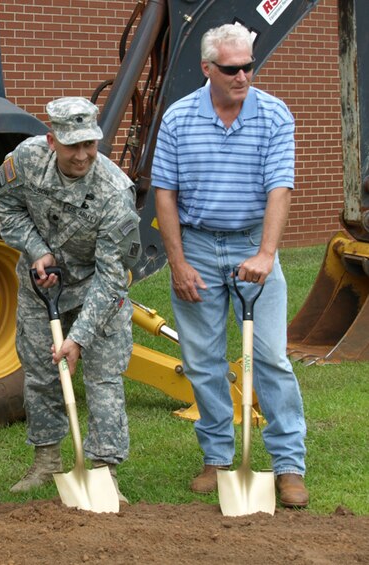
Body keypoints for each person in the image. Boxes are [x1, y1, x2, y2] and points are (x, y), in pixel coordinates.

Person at [151, 23, 309, 507]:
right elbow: (165, 194)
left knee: (271, 358)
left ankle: (288, 466)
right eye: (231, 69)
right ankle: (218, 459)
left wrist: (265, 253)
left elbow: (279, 189)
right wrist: (177, 263)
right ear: (207, 69)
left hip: (250, 245)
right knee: (203, 362)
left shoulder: (274, 115)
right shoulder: (178, 119)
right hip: (196, 246)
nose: (243, 76)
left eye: (248, 66)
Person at [0, 97, 141, 499]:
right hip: (43, 285)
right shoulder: (26, 159)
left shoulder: (115, 194)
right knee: (41, 374)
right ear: (51, 140)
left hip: (98, 289)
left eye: (89, 145)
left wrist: (79, 339)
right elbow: (7, 208)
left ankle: (104, 472)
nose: (82, 155)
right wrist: (37, 249)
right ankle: (46, 462)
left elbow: (114, 278)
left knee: (104, 378)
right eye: (72, 145)